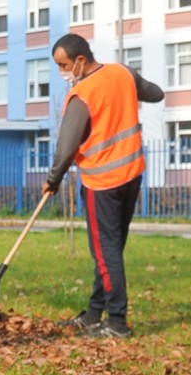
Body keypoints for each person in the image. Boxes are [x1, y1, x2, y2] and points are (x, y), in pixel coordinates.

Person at [41, 33, 162, 338]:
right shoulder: (123, 73)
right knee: (111, 250)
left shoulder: (83, 95)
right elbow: (155, 93)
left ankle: (117, 322)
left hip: (102, 183)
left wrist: (53, 179)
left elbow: (67, 146)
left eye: (63, 65)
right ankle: (96, 312)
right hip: (132, 175)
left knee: (106, 250)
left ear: (80, 60)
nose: (62, 73)